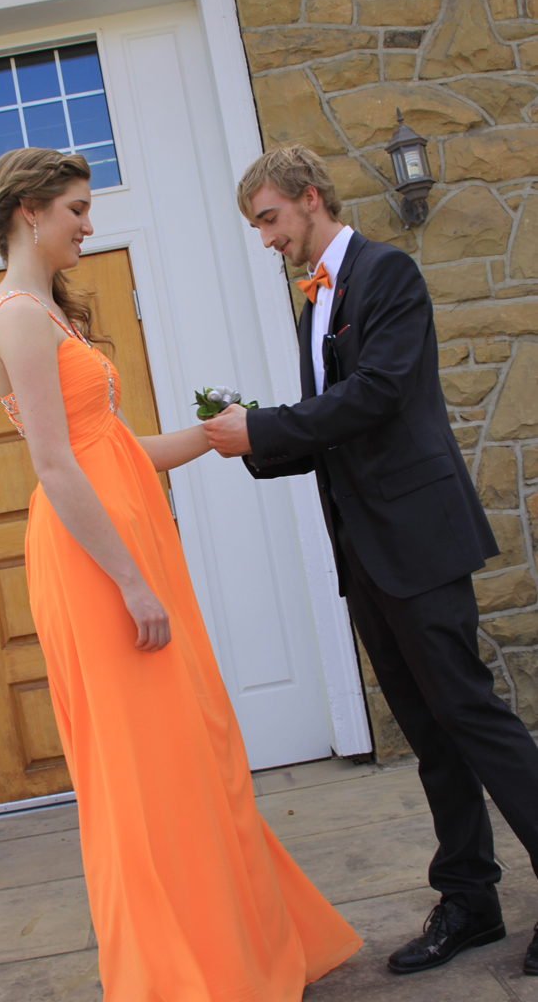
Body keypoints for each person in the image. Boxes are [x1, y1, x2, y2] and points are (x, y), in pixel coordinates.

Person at [0, 146, 360, 1002]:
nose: (88, 225)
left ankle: (232, 949)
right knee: (145, 766)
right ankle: (181, 974)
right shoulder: (18, 318)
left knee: (190, 745)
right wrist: (129, 582)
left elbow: (114, 448)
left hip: (127, 542)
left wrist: (221, 434)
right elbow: (56, 466)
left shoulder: (50, 312)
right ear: (29, 211)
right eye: (76, 209)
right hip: (96, 563)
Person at [204, 144, 538, 978]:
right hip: (364, 554)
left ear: (310, 198)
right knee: (427, 733)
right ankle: (469, 900)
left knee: (471, 717)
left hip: (417, 539)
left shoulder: (386, 274)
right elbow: (334, 422)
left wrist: (264, 429)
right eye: (257, 226)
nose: (266, 239)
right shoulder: (312, 304)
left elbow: (379, 394)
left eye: (269, 219)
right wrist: (248, 442)